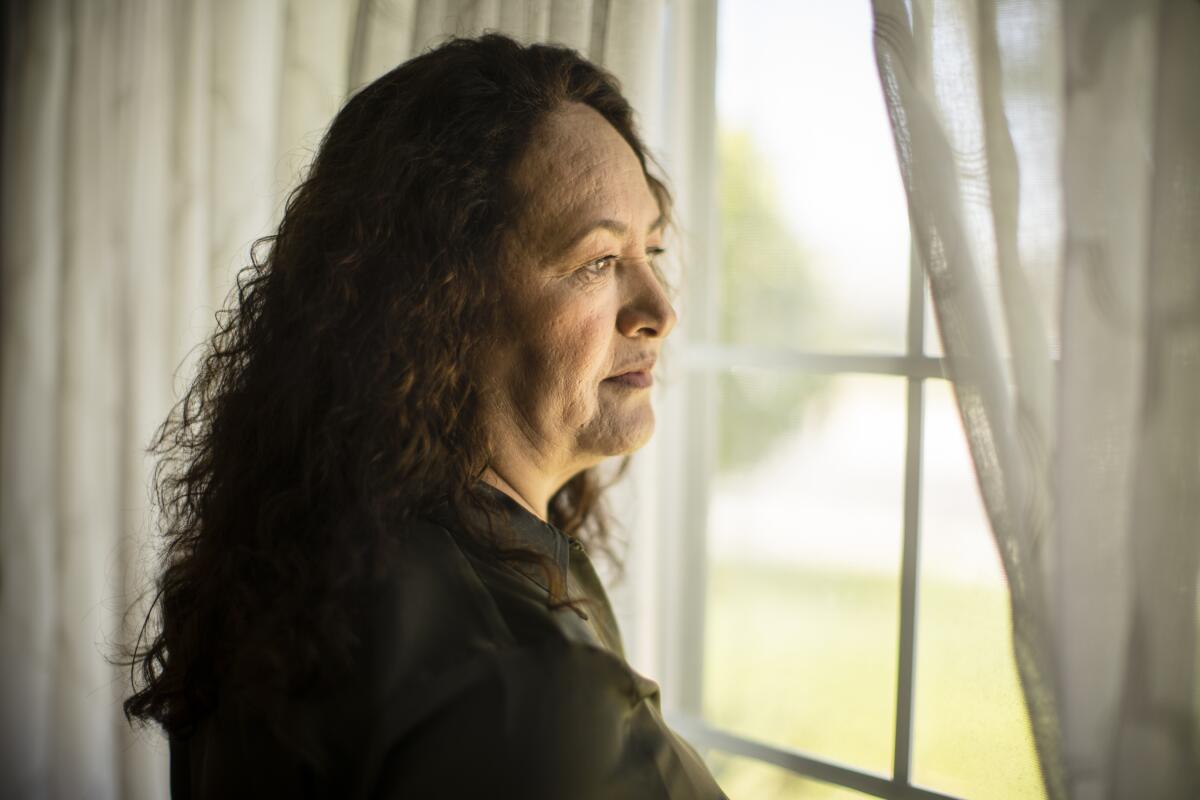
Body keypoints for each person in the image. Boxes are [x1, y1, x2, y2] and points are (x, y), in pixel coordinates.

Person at [122, 32, 728, 799]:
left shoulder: (295, 557)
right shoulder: (530, 685)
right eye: (598, 261)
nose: (659, 311)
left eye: (653, 251)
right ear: (440, 306)